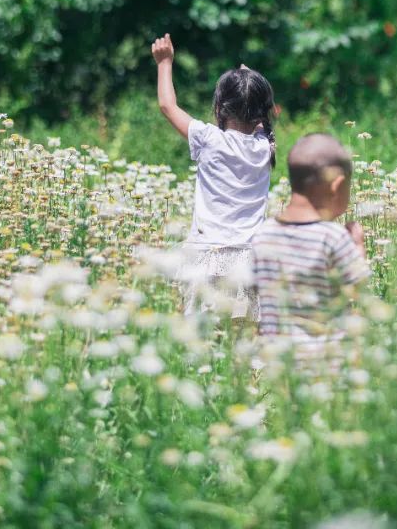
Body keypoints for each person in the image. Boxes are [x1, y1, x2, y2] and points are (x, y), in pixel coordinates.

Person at [151, 33, 276, 320]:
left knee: (201, 340)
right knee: (242, 341)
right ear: (261, 114)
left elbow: (168, 106)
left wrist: (165, 62)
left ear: (219, 109)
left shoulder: (208, 139)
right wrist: (250, 80)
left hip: (206, 256)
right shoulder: (264, 147)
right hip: (248, 259)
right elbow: (261, 117)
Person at [252, 133, 370, 362]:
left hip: (277, 361)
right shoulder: (332, 237)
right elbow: (358, 288)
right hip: (324, 362)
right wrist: (358, 245)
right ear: (337, 185)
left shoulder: (263, 234)